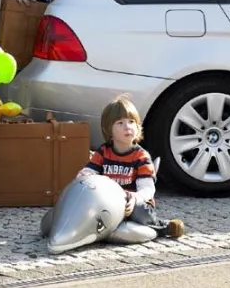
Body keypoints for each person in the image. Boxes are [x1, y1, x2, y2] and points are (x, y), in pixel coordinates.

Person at [78, 96, 185, 238]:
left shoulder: (141, 157)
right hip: (109, 203)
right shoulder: (103, 152)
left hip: (133, 203)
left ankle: (164, 227)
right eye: (120, 123)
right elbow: (90, 170)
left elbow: (147, 189)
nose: (127, 127)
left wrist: (134, 199)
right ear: (109, 130)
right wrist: (84, 176)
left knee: (140, 212)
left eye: (131, 122)